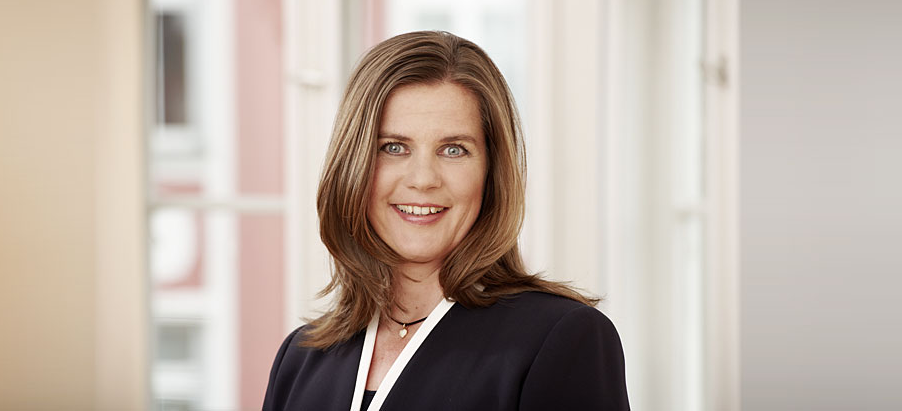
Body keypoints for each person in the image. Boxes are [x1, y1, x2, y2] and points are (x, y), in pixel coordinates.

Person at [263, 31, 629, 411]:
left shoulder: (561, 339)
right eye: (393, 147)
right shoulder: (301, 358)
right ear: (353, 165)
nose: (423, 179)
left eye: (454, 149)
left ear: (490, 172)